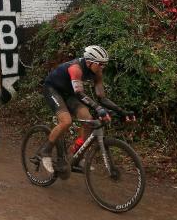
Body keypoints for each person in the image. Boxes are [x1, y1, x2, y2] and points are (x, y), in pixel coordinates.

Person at [36, 45, 135, 175]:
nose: (102, 68)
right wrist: (98, 109)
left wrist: (121, 111)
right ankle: (46, 150)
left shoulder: (97, 71)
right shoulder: (75, 68)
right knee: (66, 121)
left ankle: (77, 154)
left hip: (69, 93)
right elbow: (79, 94)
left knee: (88, 120)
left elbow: (101, 97)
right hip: (53, 90)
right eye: (100, 64)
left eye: (104, 64)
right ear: (89, 62)